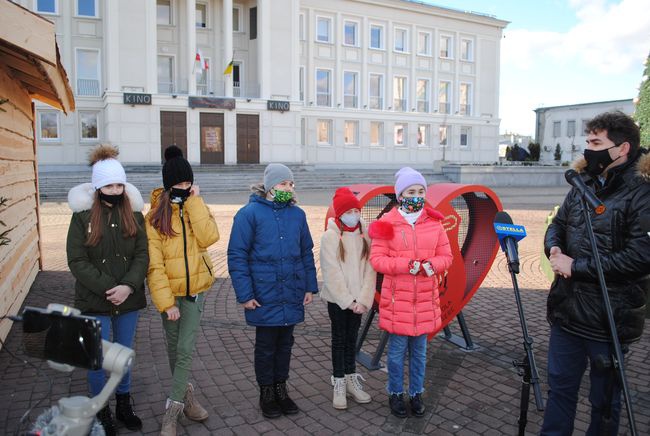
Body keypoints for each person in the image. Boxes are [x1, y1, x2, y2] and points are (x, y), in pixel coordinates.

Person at [541, 111, 650, 436]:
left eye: (596, 142)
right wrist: (555, 249)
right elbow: (558, 224)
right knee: (559, 390)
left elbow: (641, 256)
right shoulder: (581, 181)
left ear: (623, 148)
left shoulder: (642, 192)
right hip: (567, 312)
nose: (588, 149)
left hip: (609, 319)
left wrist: (577, 267)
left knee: (605, 403)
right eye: (587, 141)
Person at [66, 144, 148, 435]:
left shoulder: (135, 216)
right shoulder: (82, 217)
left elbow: (142, 254)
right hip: (94, 300)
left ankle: (124, 402)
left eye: (119, 185)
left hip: (128, 299)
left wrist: (127, 285)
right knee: (98, 359)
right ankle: (101, 409)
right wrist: (108, 287)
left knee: (123, 355)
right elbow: (76, 260)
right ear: (98, 186)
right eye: (108, 185)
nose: (114, 190)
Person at [227, 163, 318, 419]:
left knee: (286, 344)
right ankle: (267, 391)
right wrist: (245, 294)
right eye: (282, 184)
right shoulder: (249, 214)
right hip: (264, 293)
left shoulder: (297, 215)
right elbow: (237, 254)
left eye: (291, 184)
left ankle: (281, 388)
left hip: (291, 291)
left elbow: (305, 253)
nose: (288, 188)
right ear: (269, 186)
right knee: (266, 346)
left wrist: (309, 286)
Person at [145, 146, 219, 436]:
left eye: (189, 184)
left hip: (195, 292)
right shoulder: (153, 219)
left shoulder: (195, 208)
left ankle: (171, 414)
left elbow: (210, 236)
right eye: (179, 185)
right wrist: (166, 303)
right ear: (167, 186)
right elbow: (155, 266)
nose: (185, 189)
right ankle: (188, 399)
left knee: (184, 351)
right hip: (171, 296)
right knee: (174, 352)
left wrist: (195, 203)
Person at [368, 167, 453, 418]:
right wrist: (405, 266)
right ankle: (395, 393)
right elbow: (377, 260)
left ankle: (416, 393)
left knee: (420, 354)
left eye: (420, 191)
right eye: (411, 191)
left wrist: (431, 266)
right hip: (398, 301)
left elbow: (446, 257)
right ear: (400, 195)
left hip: (425, 299)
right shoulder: (386, 224)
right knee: (395, 355)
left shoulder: (434, 223)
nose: (416, 196)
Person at [320, 187, 376, 410]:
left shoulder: (366, 234)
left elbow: (371, 269)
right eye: (349, 210)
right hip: (338, 301)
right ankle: (339, 383)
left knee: (353, 340)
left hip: (359, 301)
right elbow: (331, 272)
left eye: (356, 210)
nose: (354, 214)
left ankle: (352, 380)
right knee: (339, 340)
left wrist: (363, 300)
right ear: (339, 213)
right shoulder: (330, 236)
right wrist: (348, 301)